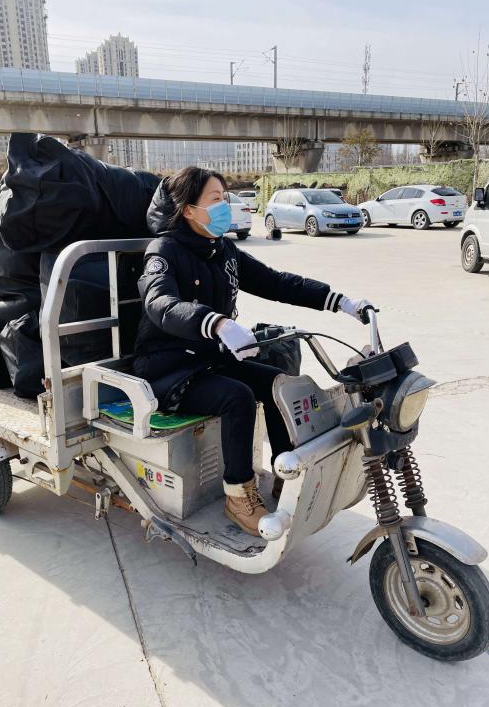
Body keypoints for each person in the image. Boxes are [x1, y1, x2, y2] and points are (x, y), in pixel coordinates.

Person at [133, 168, 373, 537]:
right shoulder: (163, 252)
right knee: (238, 397)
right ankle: (238, 496)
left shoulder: (223, 250)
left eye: (225, 198)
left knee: (279, 384)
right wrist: (216, 323)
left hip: (210, 360)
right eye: (215, 200)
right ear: (189, 210)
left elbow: (275, 282)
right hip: (168, 368)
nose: (224, 207)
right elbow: (159, 303)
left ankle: (285, 474)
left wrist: (337, 300)